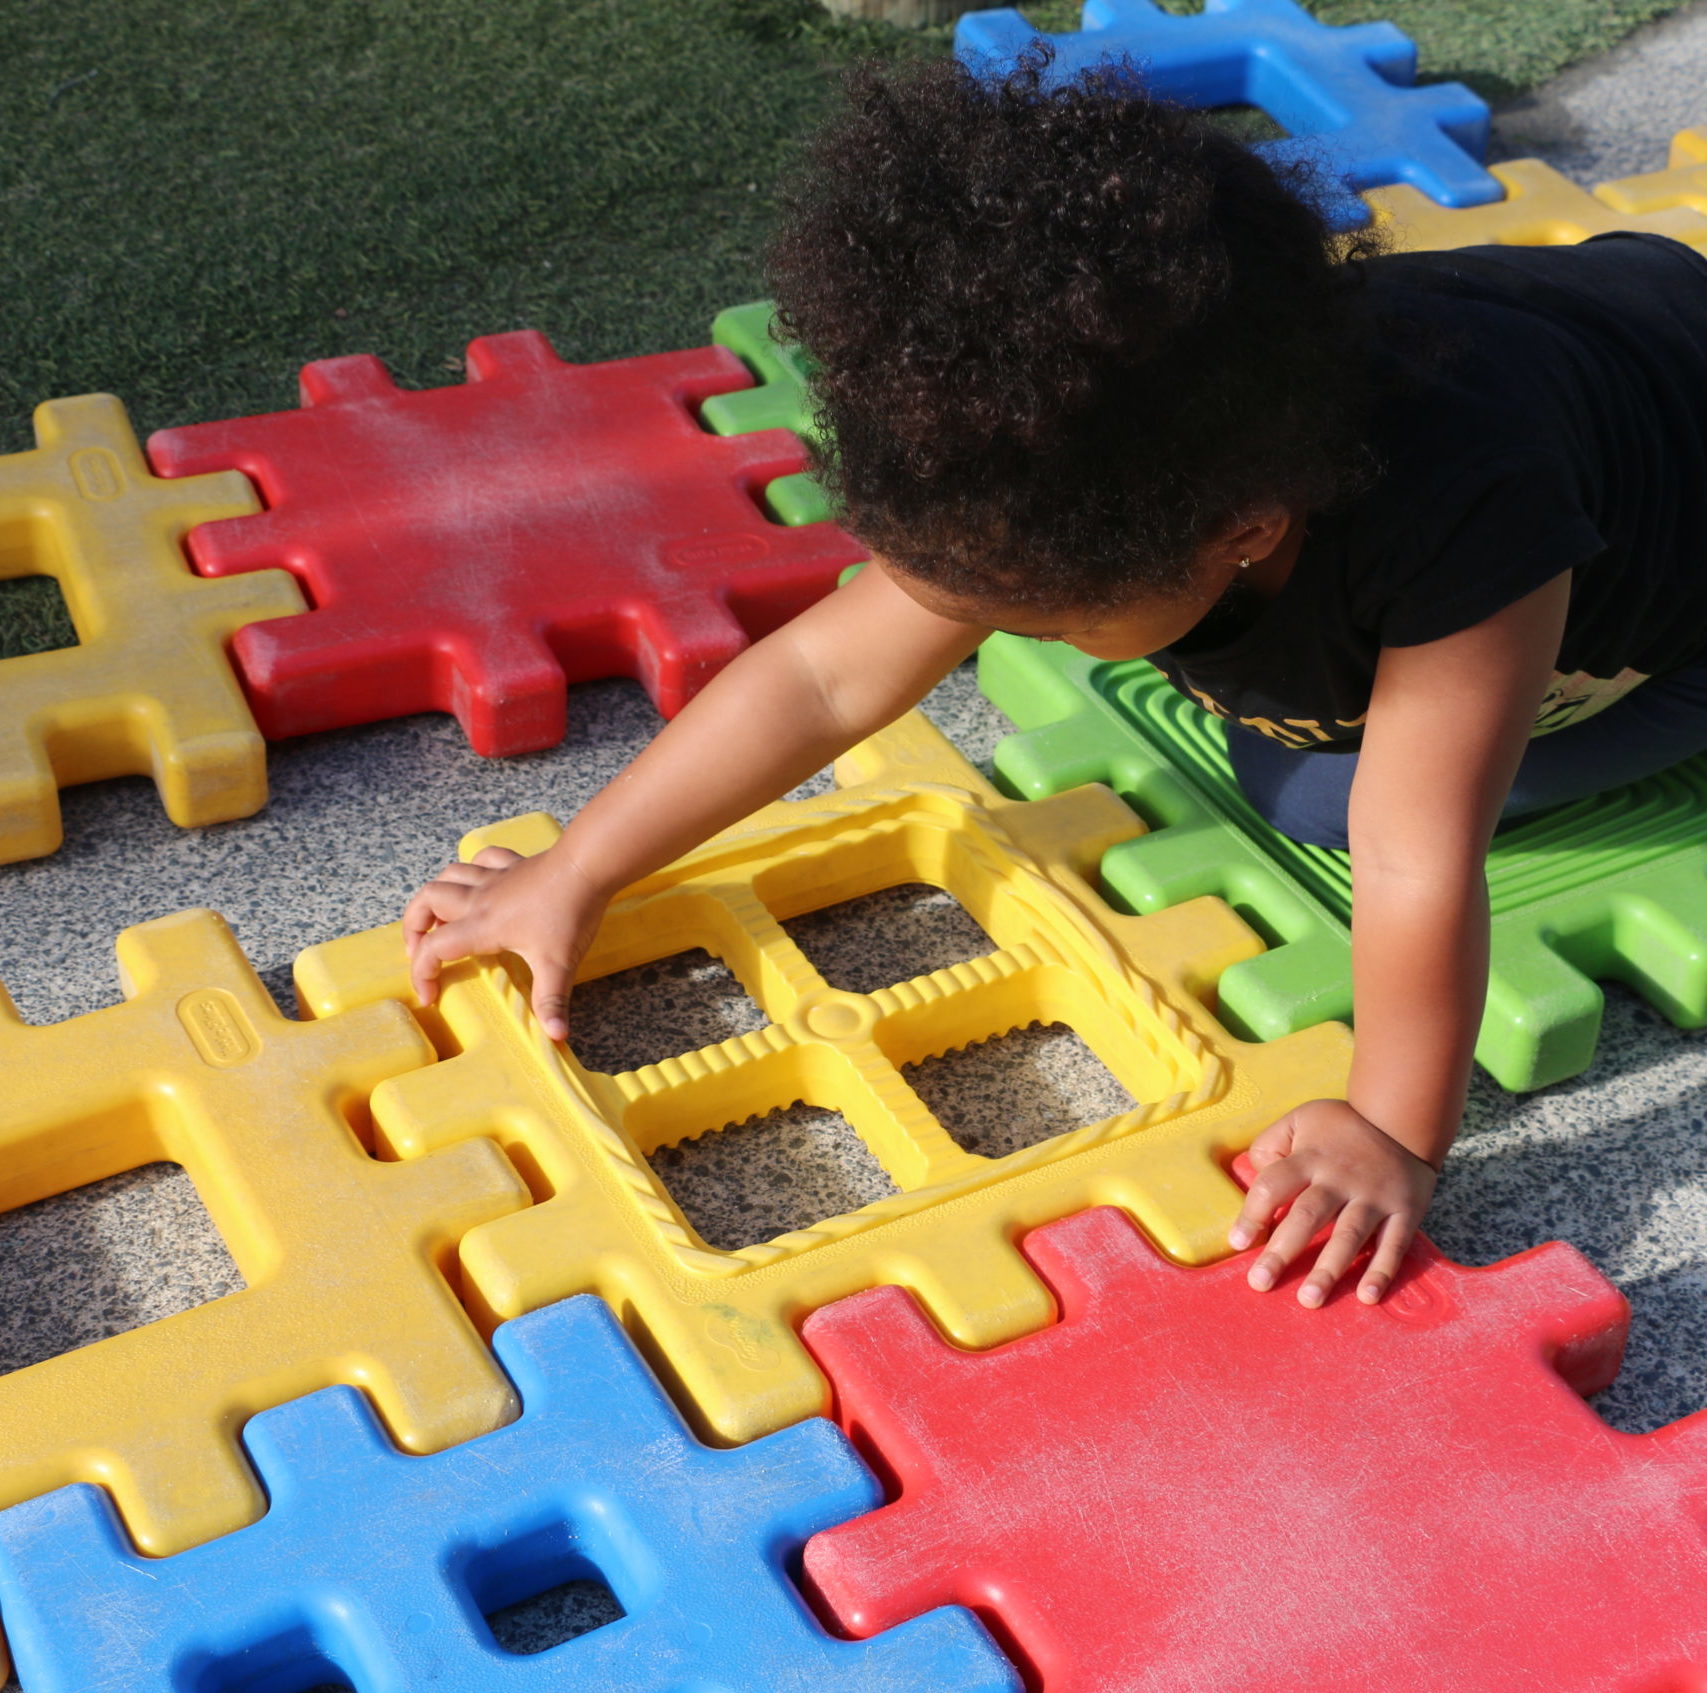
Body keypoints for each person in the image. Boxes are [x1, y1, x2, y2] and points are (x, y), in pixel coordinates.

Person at [403, 45, 1707, 1310]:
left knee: (1329, 796)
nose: (995, 636)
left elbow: (1418, 854)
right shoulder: (1112, 442)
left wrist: (1393, 1131)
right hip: (1603, 346)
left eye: (1048, 619)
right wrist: (579, 870)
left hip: (1677, 534)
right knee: (1302, 765)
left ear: (1242, 532)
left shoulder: (1470, 512)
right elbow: (817, 681)